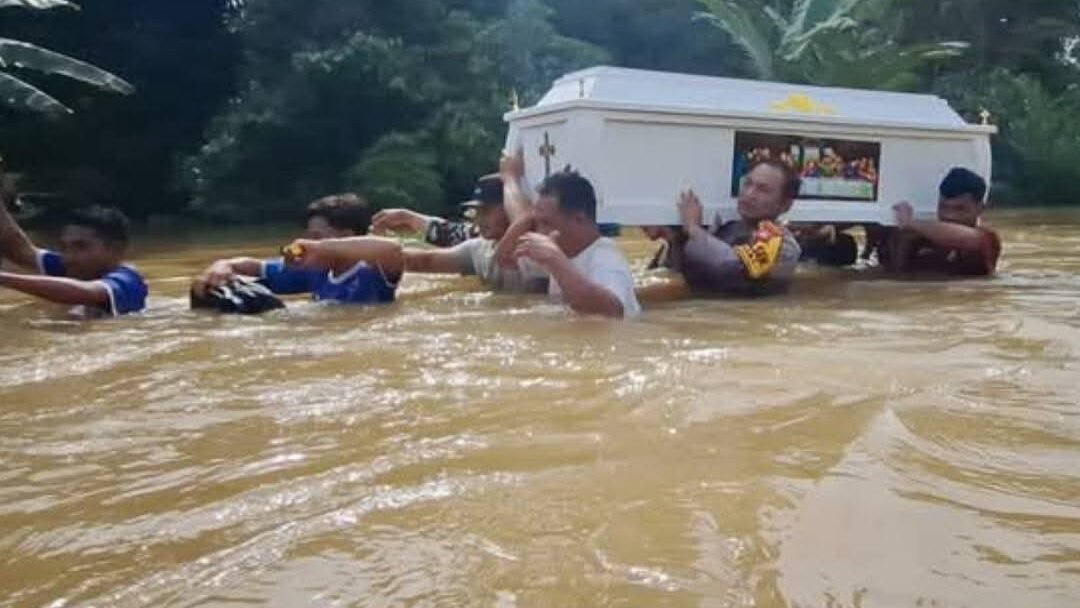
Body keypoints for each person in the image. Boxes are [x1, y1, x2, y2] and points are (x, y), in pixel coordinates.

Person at [192, 193, 403, 305]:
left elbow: (392, 248)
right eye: (309, 237)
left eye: (317, 236)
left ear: (347, 235)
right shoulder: (315, 271)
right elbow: (258, 266)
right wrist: (222, 266)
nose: (309, 242)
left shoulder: (374, 271)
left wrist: (319, 247)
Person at [646, 159, 803, 296]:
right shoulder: (726, 228)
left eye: (763, 190)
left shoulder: (785, 246)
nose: (749, 194)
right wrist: (674, 238)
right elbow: (673, 272)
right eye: (747, 183)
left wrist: (693, 228)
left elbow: (732, 268)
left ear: (785, 205)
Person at [500, 170, 640, 319]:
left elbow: (612, 310)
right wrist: (527, 217)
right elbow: (504, 258)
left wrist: (555, 260)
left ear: (579, 219)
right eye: (536, 223)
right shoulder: (563, 253)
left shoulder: (606, 259)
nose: (539, 232)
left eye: (546, 223)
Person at [402, 161, 548, 293]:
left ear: (509, 207)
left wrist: (510, 178)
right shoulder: (478, 250)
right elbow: (424, 261)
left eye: (486, 211)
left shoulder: (538, 247)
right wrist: (383, 253)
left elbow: (525, 217)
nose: (479, 219)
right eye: (476, 212)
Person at [0, 203, 147, 317]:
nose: (68, 257)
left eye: (81, 246)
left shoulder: (128, 281)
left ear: (115, 249)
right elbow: (19, 249)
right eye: (64, 247)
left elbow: (86, 292)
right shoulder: (74, 268)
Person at [886, 167, 1001, 276]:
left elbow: (970, 240)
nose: (949, 216)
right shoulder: (918, 238)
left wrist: (911, 222)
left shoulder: (988, 240)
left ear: (980, 208)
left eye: (959, 209)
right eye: (943, 207)